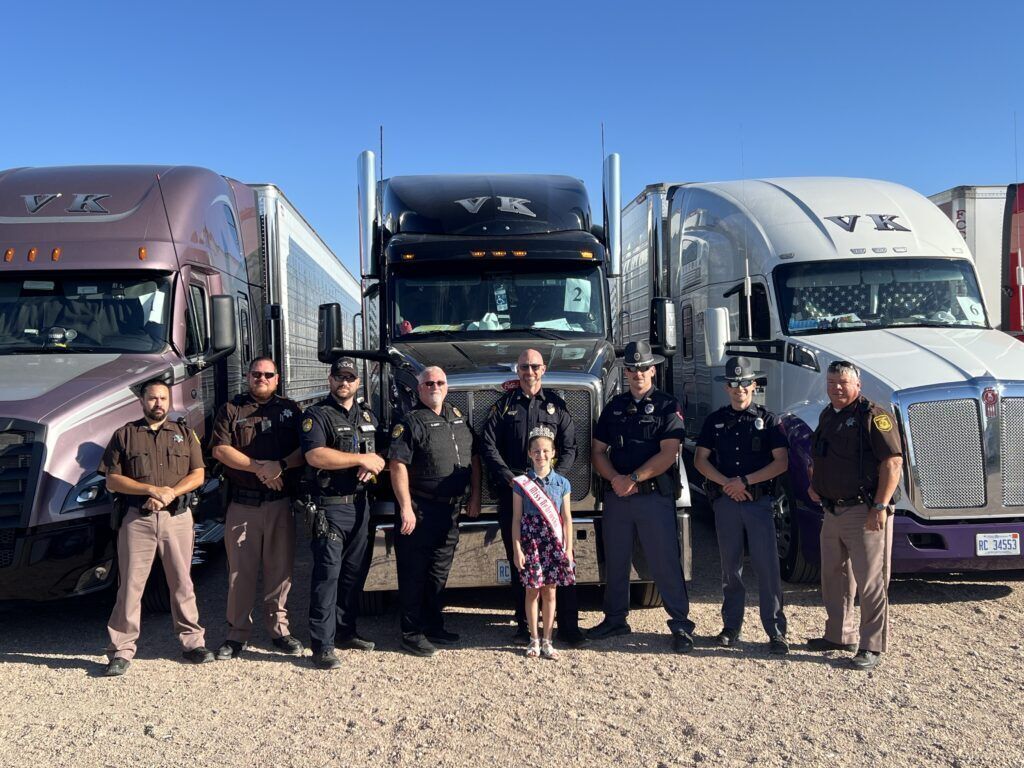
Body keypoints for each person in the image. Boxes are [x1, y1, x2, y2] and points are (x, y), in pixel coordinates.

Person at [99, 378, 214, 676]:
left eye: (163, 398)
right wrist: (150, 491)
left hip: (177, 517)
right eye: (152, 398)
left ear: (169, 401)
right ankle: (121, 650)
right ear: (142, 401)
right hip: (137, 519)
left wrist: (169, 493)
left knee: (182, 582)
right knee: (131, 587)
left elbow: (198, 474)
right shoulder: (124, 435)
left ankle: (192, 643)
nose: (158, 403)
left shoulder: (184, 434)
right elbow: (113, 480)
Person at [587, 340, 696, 653]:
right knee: (616, 560)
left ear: (653, 369)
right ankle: (615, 618)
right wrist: (616, 479)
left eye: (644, 368)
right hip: (618, 497)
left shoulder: (666, 406)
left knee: (664, 562)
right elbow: (597, 452)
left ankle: (680, 625)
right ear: (626, 371)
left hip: (652, 496)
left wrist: (633, 478)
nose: (638, 373)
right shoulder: (615, 407)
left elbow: (669, 453)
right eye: (632, 368)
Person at [479, 348, 587, 647]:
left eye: (535, 366)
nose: (530, 372)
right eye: (524, 366)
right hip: (517, 494)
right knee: (522, 562)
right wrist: (511, 479)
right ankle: (525, 625)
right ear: (518, 369)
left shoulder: (556, 406)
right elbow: (488, 445)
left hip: (551, 497)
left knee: (563, 559)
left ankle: (568, 626)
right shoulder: (504, 406)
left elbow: (570, 447)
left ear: (544, 369)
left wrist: (554, 480)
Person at [806, 360, 903, 671]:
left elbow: (892, 463)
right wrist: (815, 484)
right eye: (832, 382)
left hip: (864, 511)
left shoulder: (873, 416)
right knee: (834, 577)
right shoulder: (828, 414)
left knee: (871, 581)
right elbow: (820, 456)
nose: (836, 388)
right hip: (832, 510)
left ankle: (871, 645)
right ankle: (839, 635)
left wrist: (879, 506)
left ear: (857, 385)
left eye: (843, 383)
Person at [210, 357, 304, 660]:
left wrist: (281, 466)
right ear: (247, 377)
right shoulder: (231, 410)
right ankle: (237, 635)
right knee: (240, 573)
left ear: (277, 379)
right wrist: (260, 470)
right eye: (255, 374)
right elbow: (220, 450)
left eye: (267, 375)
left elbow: (306, 450)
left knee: (280, 572)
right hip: (243, 505)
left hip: (279, 505)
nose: (261, 378)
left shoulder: (291, 411)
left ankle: (280, 631)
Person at [694, 356, 790, 655]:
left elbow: (781, 463)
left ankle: (775, 632)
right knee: (730, 569)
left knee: (767, 569)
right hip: (727, 503)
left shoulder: (768, 420)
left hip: (758, 503)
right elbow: (700, 460)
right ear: (727, 388)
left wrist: (744, 481)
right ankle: (731, 627)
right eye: (733, 384)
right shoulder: (715, 420)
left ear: (754, 384)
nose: (739, 389)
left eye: (744, 383)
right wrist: (727, 484)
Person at [388, 366, 482, 657]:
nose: (435, 386)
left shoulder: (457, 417)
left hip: (451, 510)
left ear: (447, 386)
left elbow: (475, 458)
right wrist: (406, 507)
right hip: (420, 508)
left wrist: (475, 496)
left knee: (438, 572)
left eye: (440, 382)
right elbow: (397, 464)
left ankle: (433, 624)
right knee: (414, 573)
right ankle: (411, 633)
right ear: (419, 389)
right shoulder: (410, 422)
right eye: (428, 383)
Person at [300, 358, 385, 670]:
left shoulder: (366, 415)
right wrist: (359, 459)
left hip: (361, 505)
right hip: (330, 507)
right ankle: (322, 645)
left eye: (350, 377)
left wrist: (375, 463)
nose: (344, 383)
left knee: (353, 574)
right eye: (339, 376)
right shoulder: (317, 415)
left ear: (358, 382)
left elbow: (379, 452)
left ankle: (346, 632)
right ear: (330, 379)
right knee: (327, 576)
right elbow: (315, 454)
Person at [512, 426, 575, 660]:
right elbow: (516, 519)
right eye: (536, 451)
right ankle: (533, 639)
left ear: (554, 452)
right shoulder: (521, 484)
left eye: (546, 451)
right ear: (530, 453)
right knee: (531, 591)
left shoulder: (563, 484)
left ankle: (548, 640)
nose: (541, 455)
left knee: (550, 592)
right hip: (532, 543)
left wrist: (568, 549)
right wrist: (517, 548)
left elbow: (567, 518)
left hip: (554, 542)